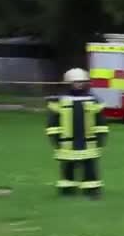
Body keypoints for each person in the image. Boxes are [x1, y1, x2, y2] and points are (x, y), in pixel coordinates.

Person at [46, 68, 108, 198]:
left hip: (89, 143)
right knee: (67, 167)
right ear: (69, 83)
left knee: (90, 168)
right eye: (76, 82)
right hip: (66, 143)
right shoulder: (59, 101)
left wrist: (101, 137)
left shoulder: (93, 100)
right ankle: (67, 190)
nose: (79, 84)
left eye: (82, 82)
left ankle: (92, 191)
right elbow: (52, 123)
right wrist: (54, 138)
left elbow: (100, 121)